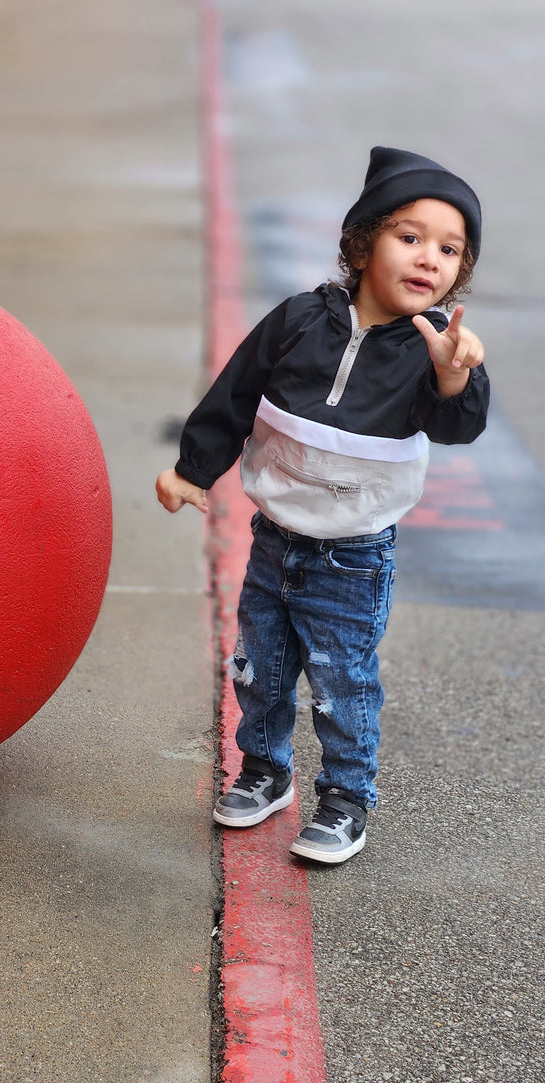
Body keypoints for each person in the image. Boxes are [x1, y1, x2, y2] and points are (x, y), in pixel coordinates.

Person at [156, 147, 489, 864]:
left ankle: (345, 799)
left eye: (449, 248)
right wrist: (193, 469)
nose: (429, 257)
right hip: (274, 539)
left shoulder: (432, 350)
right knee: (261, 667)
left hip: (354, 556)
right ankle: (266, 771)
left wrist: (457, 375)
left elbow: (460, 425)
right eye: (410, 237)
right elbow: (236, 395)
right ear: (363, 242)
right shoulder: (300, 319)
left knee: (343, 681)